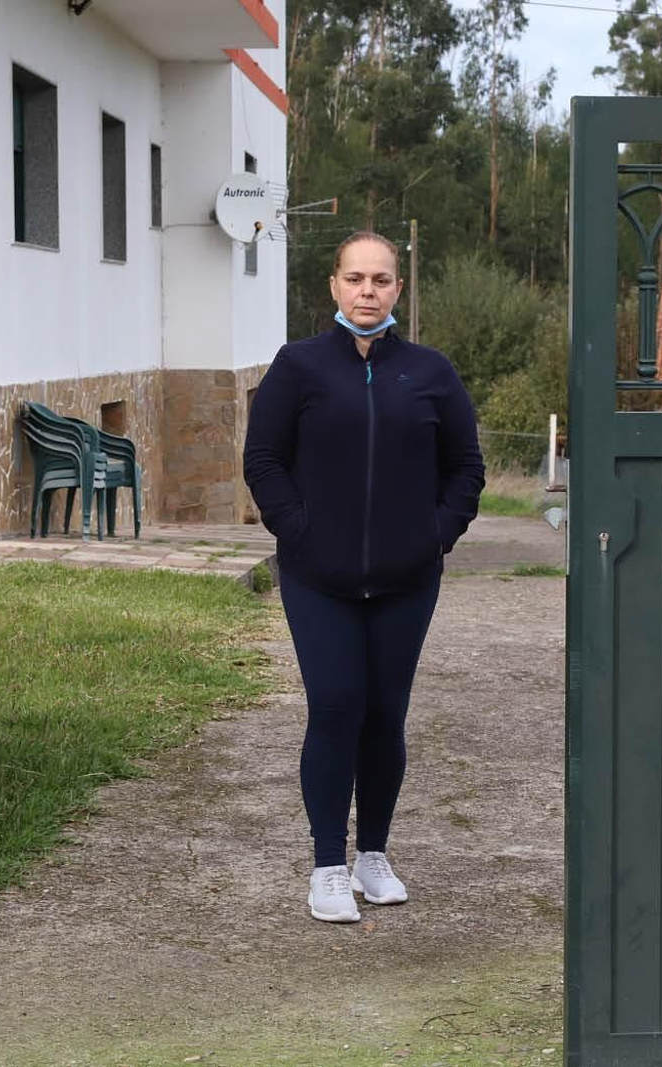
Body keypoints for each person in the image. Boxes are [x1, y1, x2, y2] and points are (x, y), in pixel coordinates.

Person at [243, 231, 485, 923]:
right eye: (356, 278)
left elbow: (467, 467)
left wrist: (435, 534)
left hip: (407, 579)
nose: (368, 290)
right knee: (337, 705)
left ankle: (372, 856)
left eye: (381, 279)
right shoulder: (299, 367)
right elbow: (263, 459)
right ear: (334, 286)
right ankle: (327, 864)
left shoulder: (431, 372)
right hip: (319, 577)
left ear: (398, 289)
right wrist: (298, 529)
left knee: (385, 714)